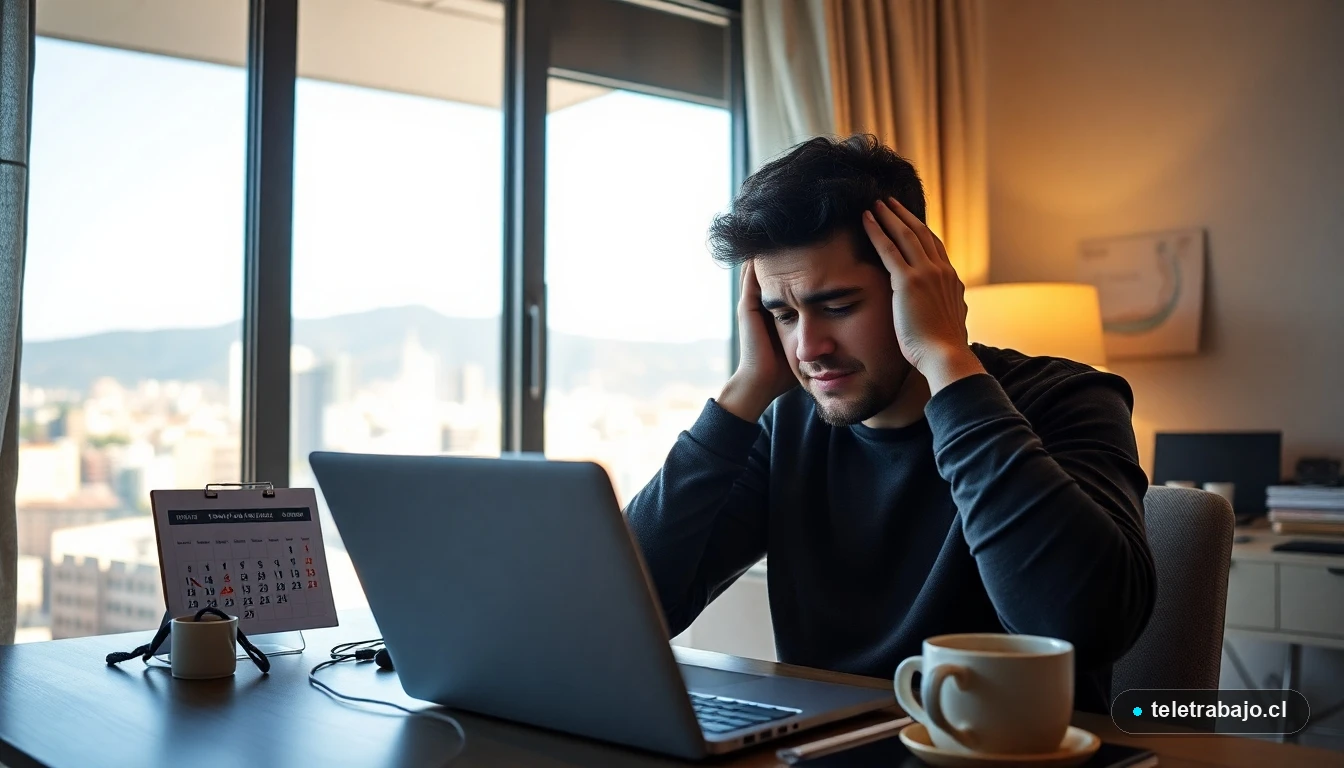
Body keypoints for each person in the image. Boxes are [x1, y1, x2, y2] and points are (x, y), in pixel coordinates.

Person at [624, 135, 1156, 714]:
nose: (809, 347)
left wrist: (947, 358)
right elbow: (627, 610)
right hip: (827, 753)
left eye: (838, 306)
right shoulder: (788, 428)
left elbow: (1085, 627)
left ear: (919, 285)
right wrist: (742, 393)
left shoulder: (1067, 398)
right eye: (782, 315)